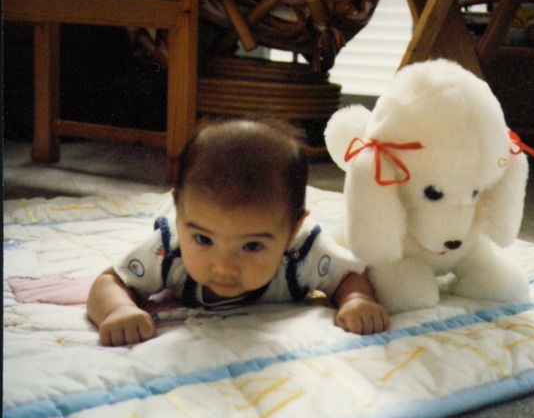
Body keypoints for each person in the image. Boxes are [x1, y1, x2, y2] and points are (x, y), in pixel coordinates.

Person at [87, 118, 390, 346]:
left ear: (291, 231)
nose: (224, 266)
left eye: (252, 246)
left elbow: (350, 275)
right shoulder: (170, 248)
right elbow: (110, 280)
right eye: (204, 240)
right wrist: (118, 309)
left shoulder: (303, 251)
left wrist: (356, 301)